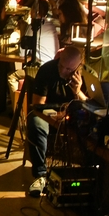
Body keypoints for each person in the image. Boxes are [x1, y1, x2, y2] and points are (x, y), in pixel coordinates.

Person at [26, 46, 89, 197]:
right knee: (35, 122)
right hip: (49, 116)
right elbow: (38, 105)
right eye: (61, 65)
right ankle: (40, 174)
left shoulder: (87, 75)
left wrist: (78, 92)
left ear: (78, 66)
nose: (63, 71)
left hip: (75, 118)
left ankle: (88, 174)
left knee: (93, 130)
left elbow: (91, 107)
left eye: (68, 69)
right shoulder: (47, 70)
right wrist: (56, 116)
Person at [7, 0, 60, 98]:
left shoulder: (33, 27)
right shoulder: (51, 26)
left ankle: (19, 108)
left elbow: (22, 53)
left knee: (12, 76)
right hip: (53, 67)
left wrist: (23, 31)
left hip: (41, 68)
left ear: (36, 11)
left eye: (32, 10)